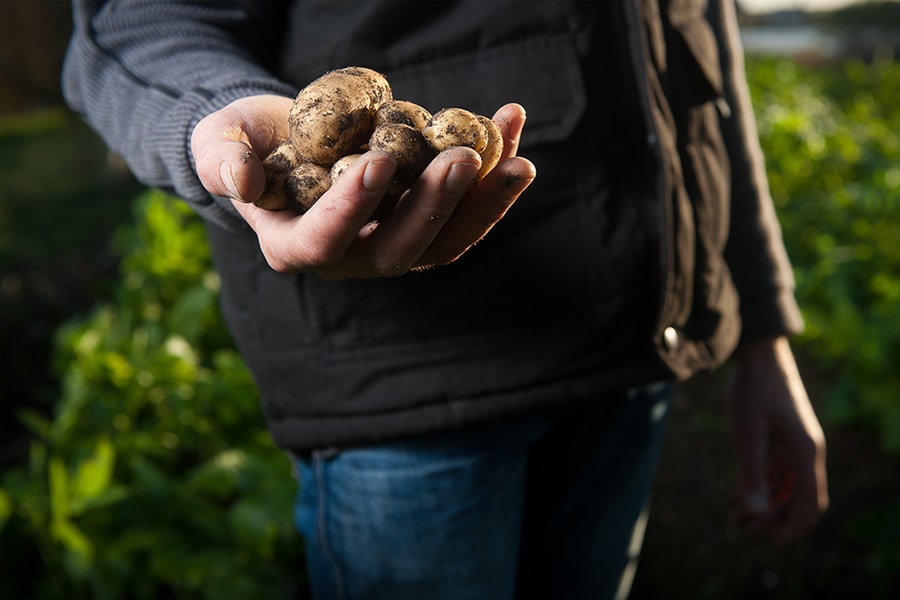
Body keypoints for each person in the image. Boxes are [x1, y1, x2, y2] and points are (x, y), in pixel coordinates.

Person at [62, 1, 829, 598]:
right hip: (408, 389)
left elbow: (702, 56)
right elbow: (135, 23)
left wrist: (763, 324)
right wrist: (214, 116)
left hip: (629, 358)